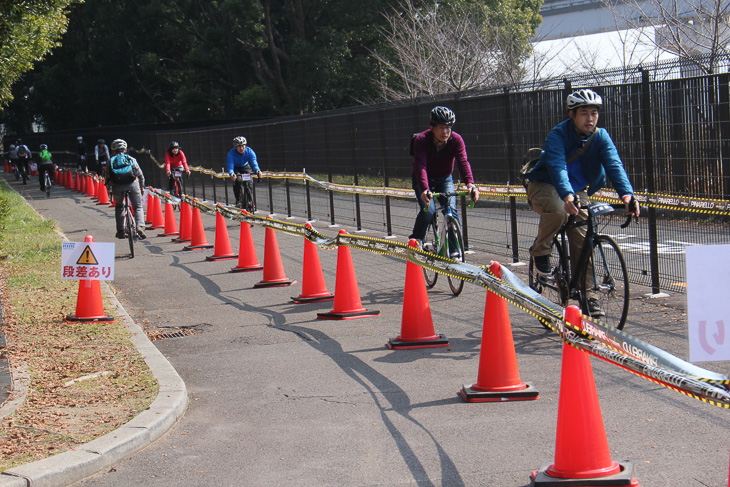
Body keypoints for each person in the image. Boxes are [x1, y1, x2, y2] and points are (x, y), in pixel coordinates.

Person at [525, 88, 640, 317]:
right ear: (572, 115)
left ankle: (589, 297)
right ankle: (540, 251)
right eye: (584, 113)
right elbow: (557, 167)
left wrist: (627, 195)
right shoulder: (557, 135)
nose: (590, 118)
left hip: (578, 190)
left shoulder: (601, 136)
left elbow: (614, 164)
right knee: (559, 211)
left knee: (584, 241)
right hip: (546, 185)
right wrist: (567, 196)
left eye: (594, 113)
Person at [409, 106, 479, 257]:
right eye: (441, 128)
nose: (445, 132)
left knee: (451, 211)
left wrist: (470, 184)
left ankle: (455, 251)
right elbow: (420, 166)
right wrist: (425, 189)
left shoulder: (456, 140)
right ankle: (416, 240)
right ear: (432, 127)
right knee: (430, 210)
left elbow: (463, 162)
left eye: (448, 128)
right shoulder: (421, 140)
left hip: (444, 178)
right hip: (423, 179)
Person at [108, 139, 146, 240]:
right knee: (137, 206)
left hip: (117, 187)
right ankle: (140, 227)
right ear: (125, 150)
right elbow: (140, 174)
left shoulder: (110, 161)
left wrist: (110, 190)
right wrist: (142, 186)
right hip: (132, 185)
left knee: (120, 207)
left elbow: (107, 178)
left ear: (113, 151)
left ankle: (121, 231)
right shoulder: (131, 159)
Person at [226, 136, 262, 209]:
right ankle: (238, 200)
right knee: (238, 180)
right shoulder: (231, 154)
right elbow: (230, 167)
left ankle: (250, 200)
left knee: (250, 182)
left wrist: (258, 171)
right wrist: (232, 174)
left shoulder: (250, 151)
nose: (241, 148)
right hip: (236, 168)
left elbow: (254, 162)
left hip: (245, 166)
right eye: (239, 146)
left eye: (243, 146)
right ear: (235, 147)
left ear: (245, 145)